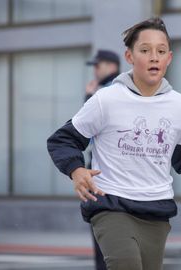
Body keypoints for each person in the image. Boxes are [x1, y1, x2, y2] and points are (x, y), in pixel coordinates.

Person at [47, 18, 181, 270]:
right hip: (111, 204)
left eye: (160, 51)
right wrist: (76, 169)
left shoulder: (180, 105)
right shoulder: (106, 99)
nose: (154, 57)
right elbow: (63, 139)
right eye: (145, 50)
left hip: (157, 209)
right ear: (129, 55)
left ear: (169, 58)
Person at [84, 48, 120, 270]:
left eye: (98, 65)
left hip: (103, 173)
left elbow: (88, 135)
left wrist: (88, 98)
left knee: (102, 232)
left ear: (110, 66)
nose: (95, 70)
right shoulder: (118, 89)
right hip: (108, 172)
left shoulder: (105, 94)